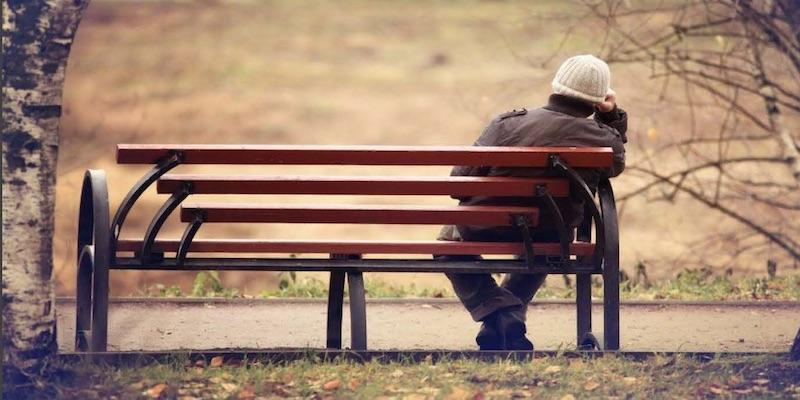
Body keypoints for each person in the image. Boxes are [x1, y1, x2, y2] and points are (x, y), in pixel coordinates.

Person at [438, 54, 627, 350]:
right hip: (552, 233)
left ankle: (498, 315)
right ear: (598, 98)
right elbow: (614, 163)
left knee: (449, 242)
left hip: (483, 227)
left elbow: (458, 183)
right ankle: (505, 316)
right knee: (548, 242)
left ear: (557, 85)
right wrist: (610, 116)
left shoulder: (506, 125)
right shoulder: (602, 139)